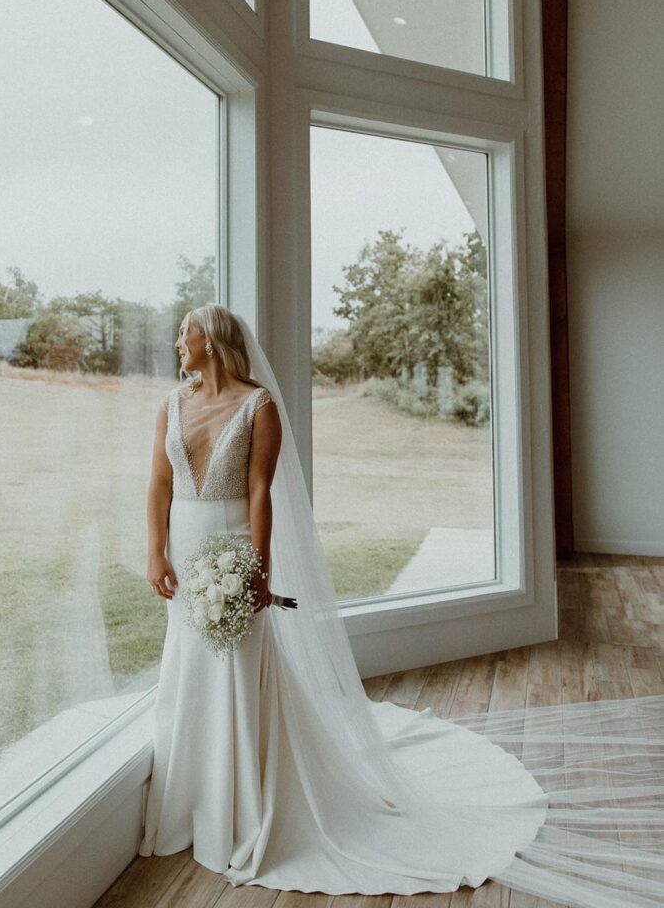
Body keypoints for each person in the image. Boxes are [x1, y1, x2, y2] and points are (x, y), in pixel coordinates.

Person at [139, 303, 664, 906]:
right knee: (189, 664)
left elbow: (261, 491)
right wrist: (155, 553)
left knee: (239, 669)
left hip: (233, 551)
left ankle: (246, 803)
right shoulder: (171, 405)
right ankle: (193, 800)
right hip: (185, 556)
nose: (180, 341)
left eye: (188, 331)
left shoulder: (258, 405)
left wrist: (259, 569)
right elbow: (157, 484)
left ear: (216, 339)